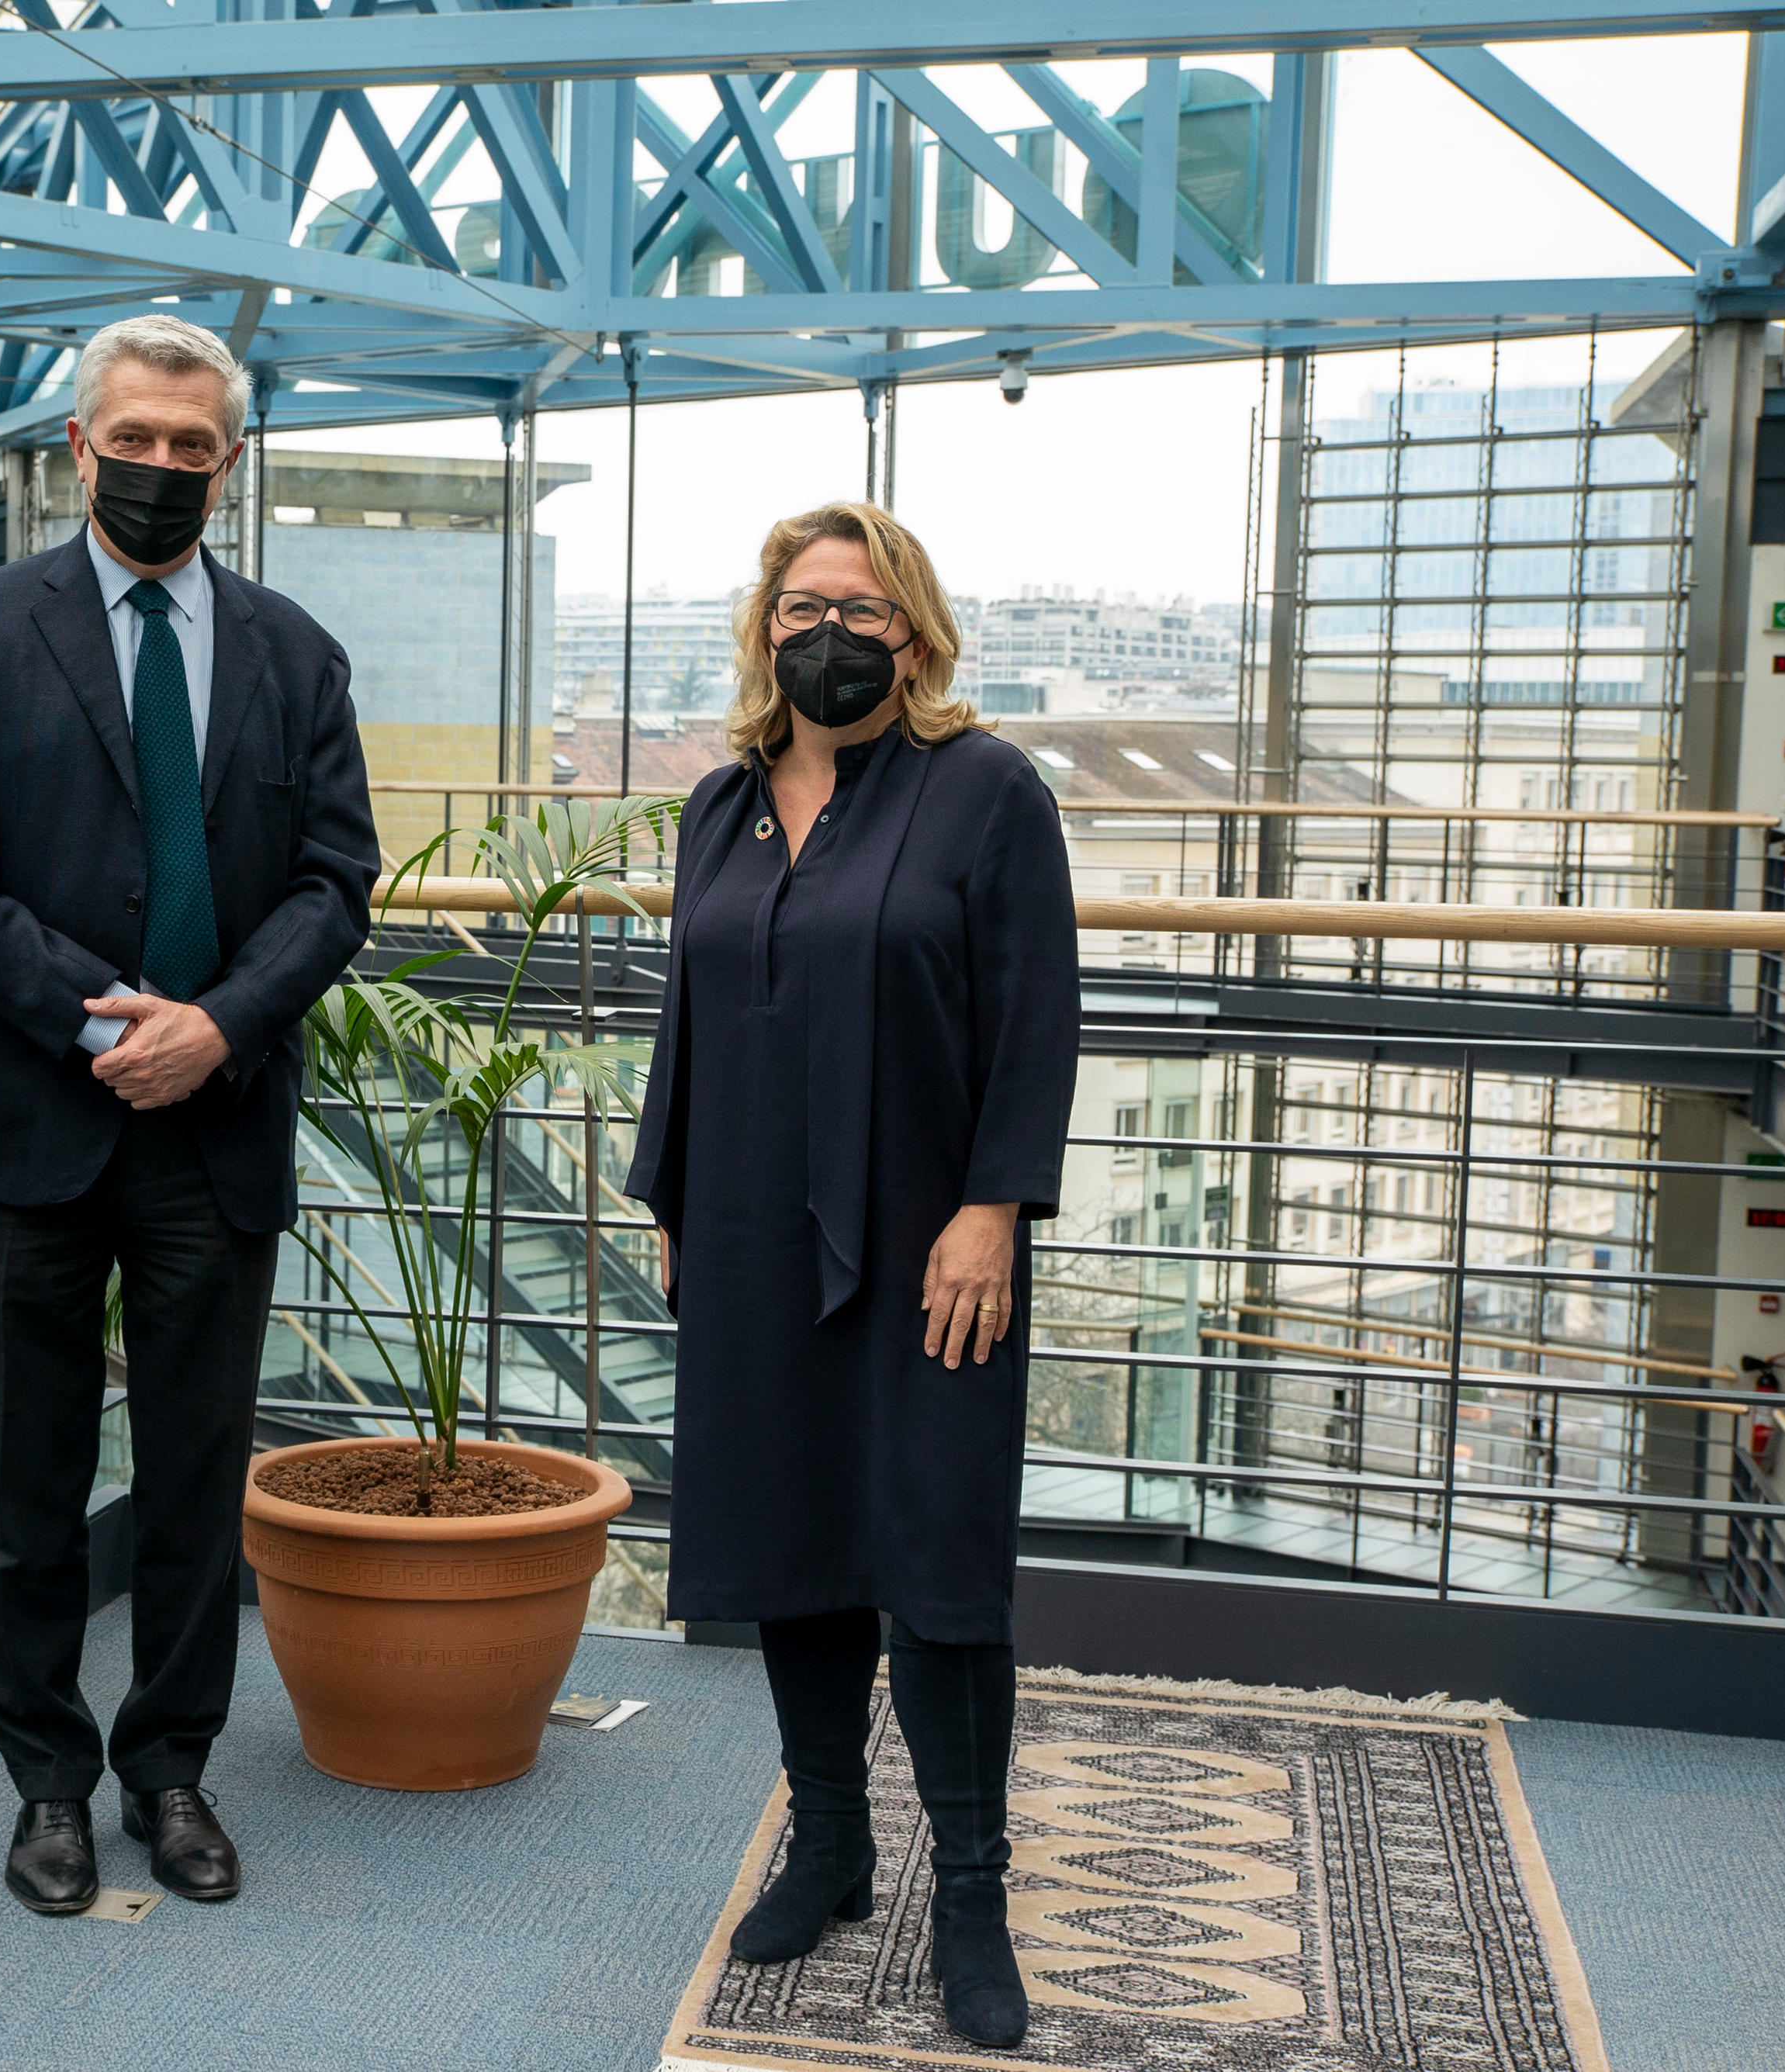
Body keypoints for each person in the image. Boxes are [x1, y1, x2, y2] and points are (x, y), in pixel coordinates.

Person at [0, 314, 376, 1918]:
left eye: (195, 446)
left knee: (190, 1480)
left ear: (227, 464)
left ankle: (169, 1770)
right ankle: (43, 1780)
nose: (164, 467)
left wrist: (218, 1027)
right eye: (137, 439)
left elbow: (333, 884)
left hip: (213, 1122)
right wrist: (114, 1020)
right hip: (32, 1120)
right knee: (21, 1489)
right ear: (78, 444)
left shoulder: (295, 652)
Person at [624, 502, 1078, 2047]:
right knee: (790, 1539)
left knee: (936, 1568)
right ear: (764, 626)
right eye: (805, 604)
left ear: (917, 634)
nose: (832, 630)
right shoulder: (719, 806)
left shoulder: (984, 793)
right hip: (745, 1232)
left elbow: (1035, 1015)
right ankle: (828, 1841)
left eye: (865, 610)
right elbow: (684, 1016)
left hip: (926, 1243)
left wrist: (993, 1206)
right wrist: (671, 1191)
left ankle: (969, 1892)